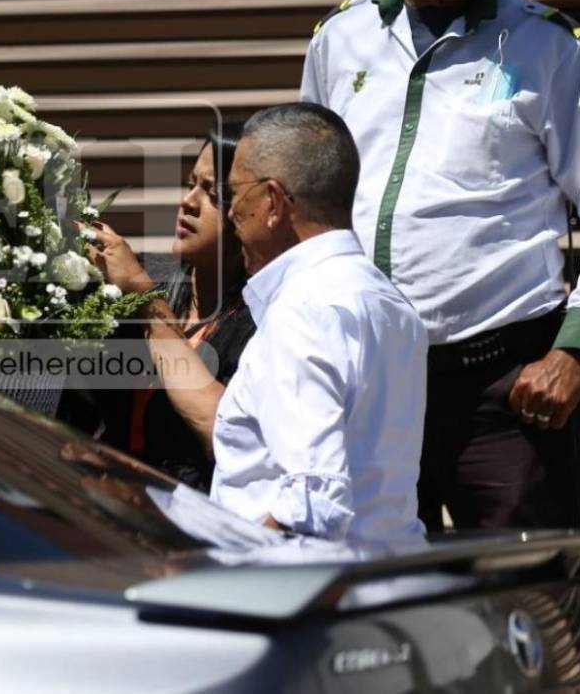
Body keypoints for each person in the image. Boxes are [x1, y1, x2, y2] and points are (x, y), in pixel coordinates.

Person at [300, 0, 580, 532]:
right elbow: (309, 200)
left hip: (505, 391)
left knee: (534, 609)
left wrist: (576, 352)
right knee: (381, 604)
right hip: (371, 387)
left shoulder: (550, 48)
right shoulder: (340, 40)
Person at [206, 104, 426, 541]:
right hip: (383, 581)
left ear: (272, 201)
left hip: (295, 596)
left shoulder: (302, 311)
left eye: (233, 195)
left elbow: (312, 506)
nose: (230, 214)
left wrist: (219, 576)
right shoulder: (393, 305)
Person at [83, 122, 255, 491]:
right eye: (191, 183)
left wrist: (143, 296)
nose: (188, 201)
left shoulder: (260, 317)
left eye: (213, 194)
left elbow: (226, 435)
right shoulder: (147, 274)